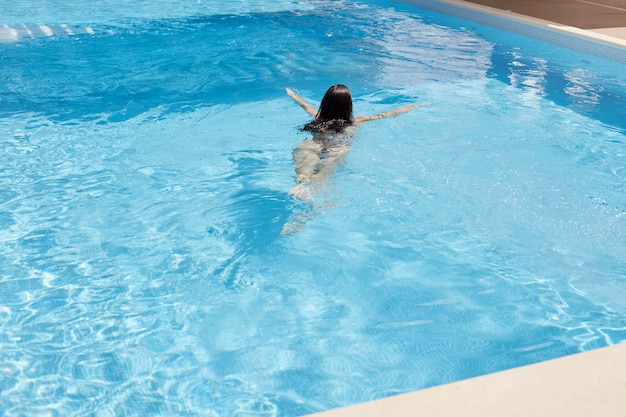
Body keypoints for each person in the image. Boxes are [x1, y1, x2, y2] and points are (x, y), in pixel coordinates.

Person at [282, 84, 426, 233]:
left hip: (313, 144)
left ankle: (301, 184)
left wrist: (293, 95)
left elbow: (305, 106)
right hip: (337, 148)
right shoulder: (356, 122)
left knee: (303, 173)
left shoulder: (318, 118)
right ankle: (303, 215)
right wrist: (412, 107)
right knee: (322, 176)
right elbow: (385, 115)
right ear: (348, 105)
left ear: (324, 103)